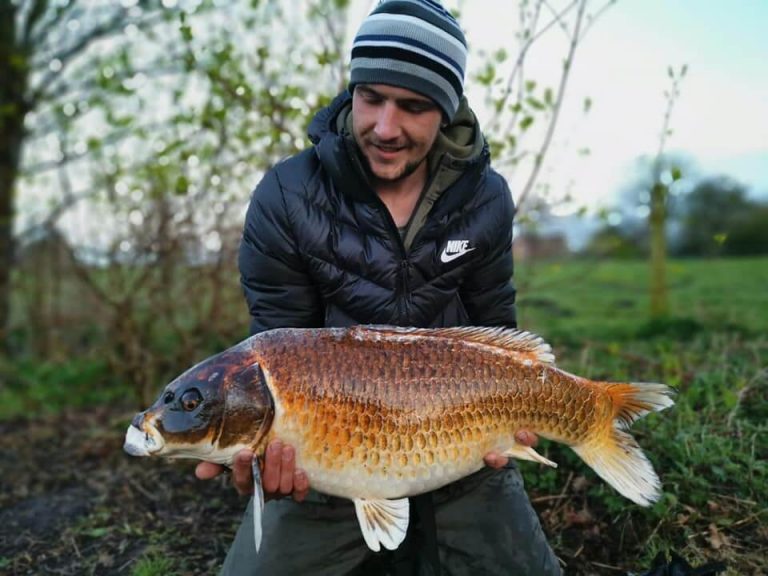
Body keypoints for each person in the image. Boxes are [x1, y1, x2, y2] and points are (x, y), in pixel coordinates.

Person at [197, 1, 562, 574]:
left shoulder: (486, 196)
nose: (386, 128)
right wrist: (269, 448)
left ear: (447, 111)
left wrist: (516, 417)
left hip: (459, 439)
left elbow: (498, 324)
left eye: (414, 106)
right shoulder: (286, 195)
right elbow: (276, 350)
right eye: (372, 98)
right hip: (330, 447)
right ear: (352, 92)